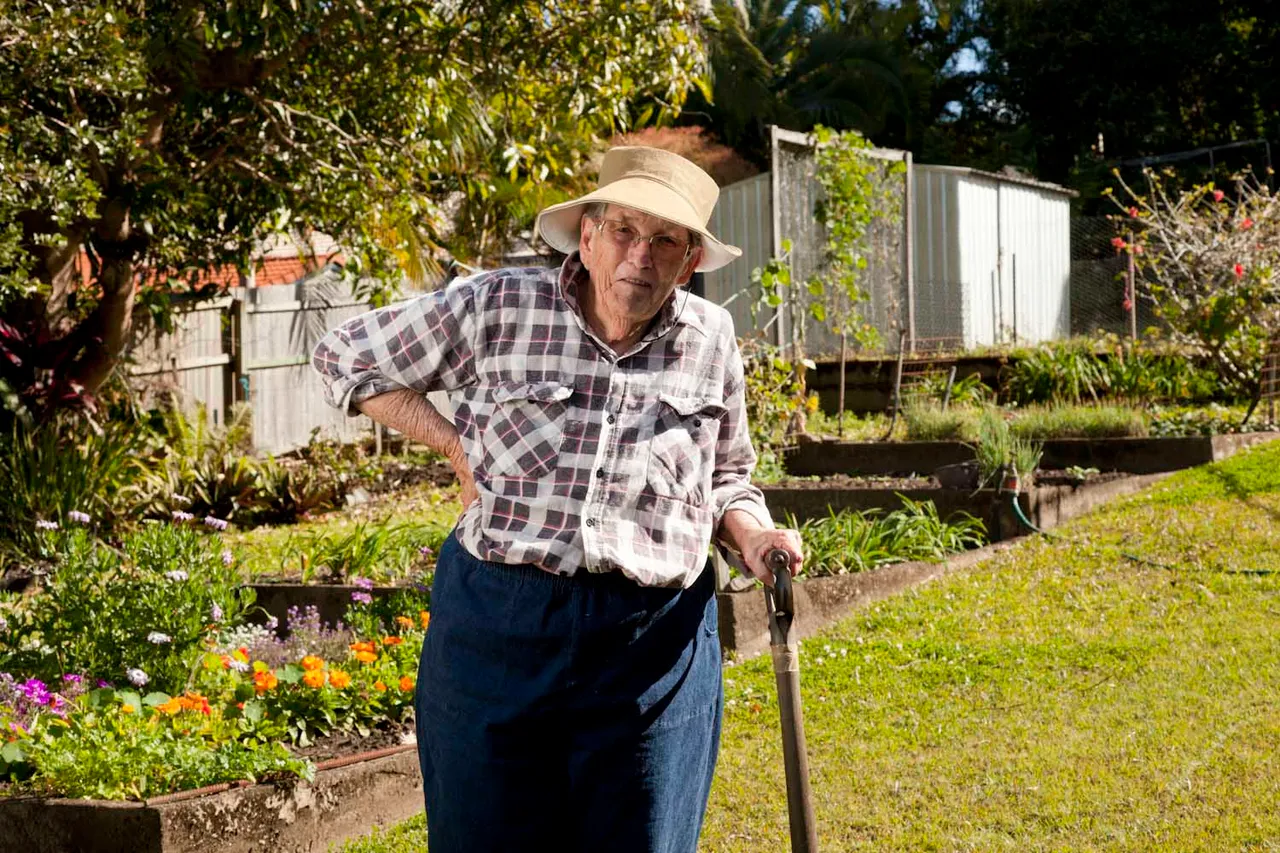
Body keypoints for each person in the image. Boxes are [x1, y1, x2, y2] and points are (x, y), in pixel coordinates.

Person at [312, 146, 805, 853]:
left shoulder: (710, 338)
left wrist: (753, 534)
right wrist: (453, 444)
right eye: (626, 231)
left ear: (690, 260)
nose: (641, 255)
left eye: (665, 240)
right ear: (589, 234)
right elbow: (341, 354)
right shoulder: (498, 304)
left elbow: (727, 473)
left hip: (653, 645)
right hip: (498, 626)